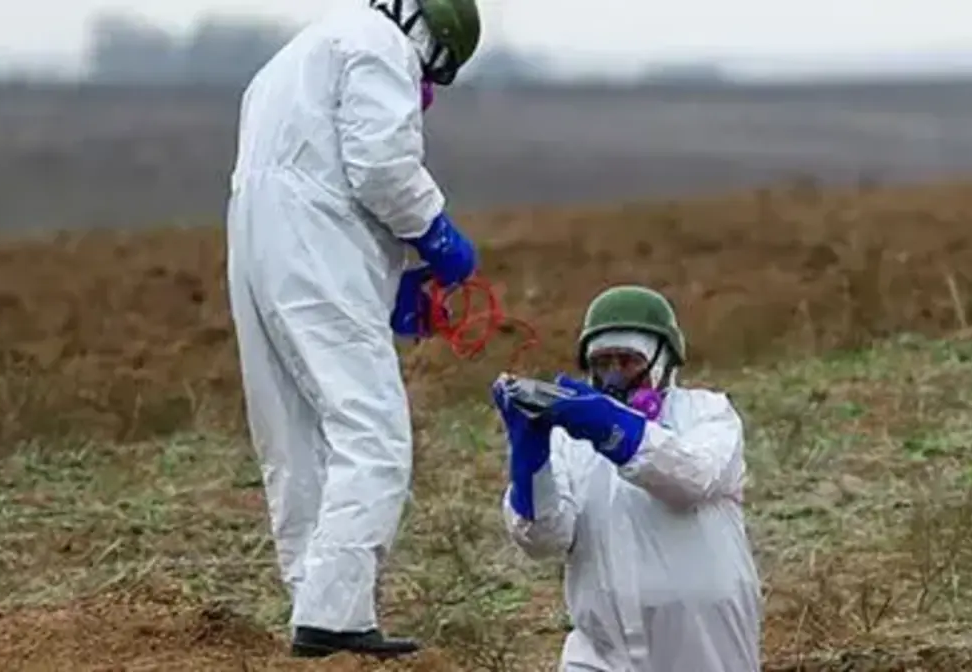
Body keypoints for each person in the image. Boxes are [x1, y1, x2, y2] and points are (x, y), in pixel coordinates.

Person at [224, 0, 482, 660]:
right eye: (436, 73)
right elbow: (380, 168)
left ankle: (320, 603)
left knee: (295, 434)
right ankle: (334, 614)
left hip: (255, 240)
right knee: (373, 432)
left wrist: (393, 290)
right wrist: (440, 233)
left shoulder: (298, 55)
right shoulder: (381, 44)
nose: (426, 89)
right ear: (432, 39)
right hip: (309, 248)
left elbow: (322, 181)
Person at [491, 285, 763, 671]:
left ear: (663, 360)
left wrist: (613, 429)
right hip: (602, 647)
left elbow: (692, 478)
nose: (614, 375)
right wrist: (529, 457)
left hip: (703, 638)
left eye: (628, 361)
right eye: (602, 362)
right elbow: (545, 540)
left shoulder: (708, 413)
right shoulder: (571, 439)